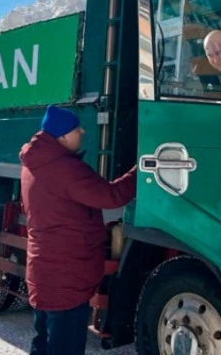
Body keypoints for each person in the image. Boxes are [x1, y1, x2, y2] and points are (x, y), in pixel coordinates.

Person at [19, 105, 137, 355]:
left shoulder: (33, 164)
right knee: (65, 346)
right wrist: (143, 170)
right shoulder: (64, 169)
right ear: (62, 136)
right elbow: (111, 196)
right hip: (66, 276)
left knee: (43, 341)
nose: (82, 131)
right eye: (76, 129)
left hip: (45, 271)